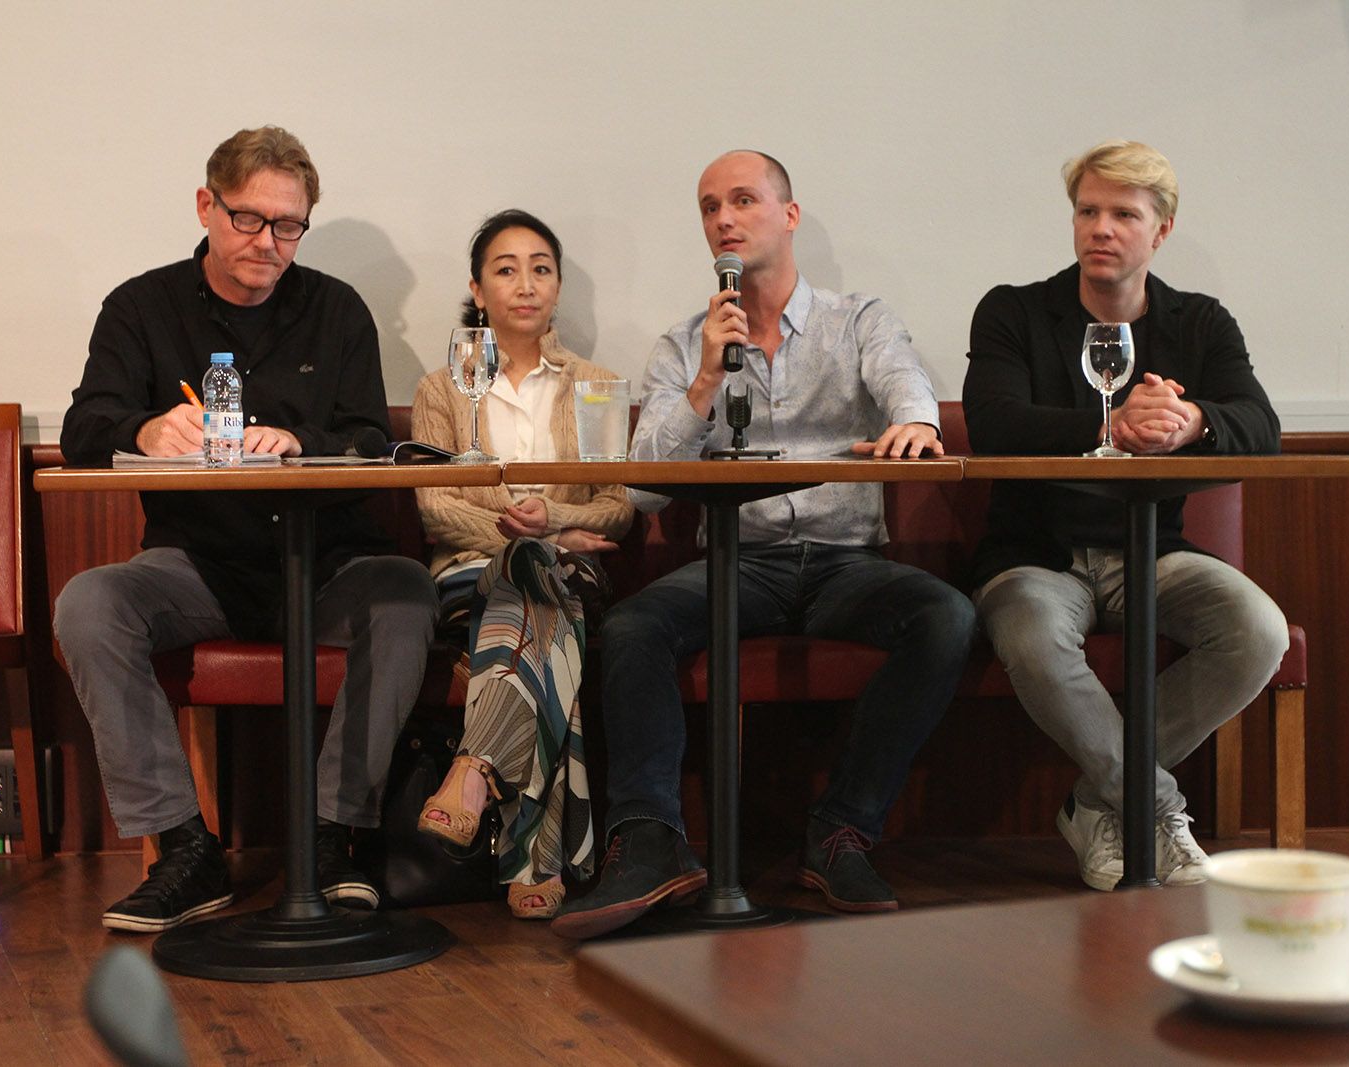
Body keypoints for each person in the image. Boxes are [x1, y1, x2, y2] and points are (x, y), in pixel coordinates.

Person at [551, 150, 976, 939]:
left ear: (789, 216)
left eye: (742, 200)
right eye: (710, 206)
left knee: (946, 616)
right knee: (633, 626)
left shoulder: (858, 318)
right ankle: (650, 840)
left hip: (846, 562)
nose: (723, 218)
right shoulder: (686, 343)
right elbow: (642, 486)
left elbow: (903, 378)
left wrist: (915, 420)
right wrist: (706, 381)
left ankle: (842, 828)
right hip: (737, 562)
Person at [56, 126, 439, 931]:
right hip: (196, 565)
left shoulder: (337, 309)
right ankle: (185, 850)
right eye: (248, 219)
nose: (268, 242)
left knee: (406, 592)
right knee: (90, 602)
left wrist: (305, 442)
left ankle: (334, 839)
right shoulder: (141, 306)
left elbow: (373, 438)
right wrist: (146, 428)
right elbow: (87, 423)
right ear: (207, 205)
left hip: (329, 562)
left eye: (288, 225)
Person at [962, 140, 1289, 891]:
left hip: (1153, 550)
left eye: (1122, 214)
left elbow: (1261, 426)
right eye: (1087, 211)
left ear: (1161, 230)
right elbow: (995, 423)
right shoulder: (1013, 310)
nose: (1100, 228)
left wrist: (1190, 420)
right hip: (1034, 555)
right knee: (1034, 636)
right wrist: (1109, 429)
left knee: (1258, 630)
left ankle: (1097, 802)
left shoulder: (1200, 323)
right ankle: (1154, 805)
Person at [410, 209, 633, 920]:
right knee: (537, 603)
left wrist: (556, 526)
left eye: (541, 267)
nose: (525, 283)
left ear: (558, 286)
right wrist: (526, 535)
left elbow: (618, 507)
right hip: (470, 574)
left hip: (569, 572)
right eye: (506, 269)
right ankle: (537, 858)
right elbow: (436, 508)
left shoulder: (595, 383)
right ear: (478, 289)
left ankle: (475, 767)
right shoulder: (441, 388)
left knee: (534, 597)